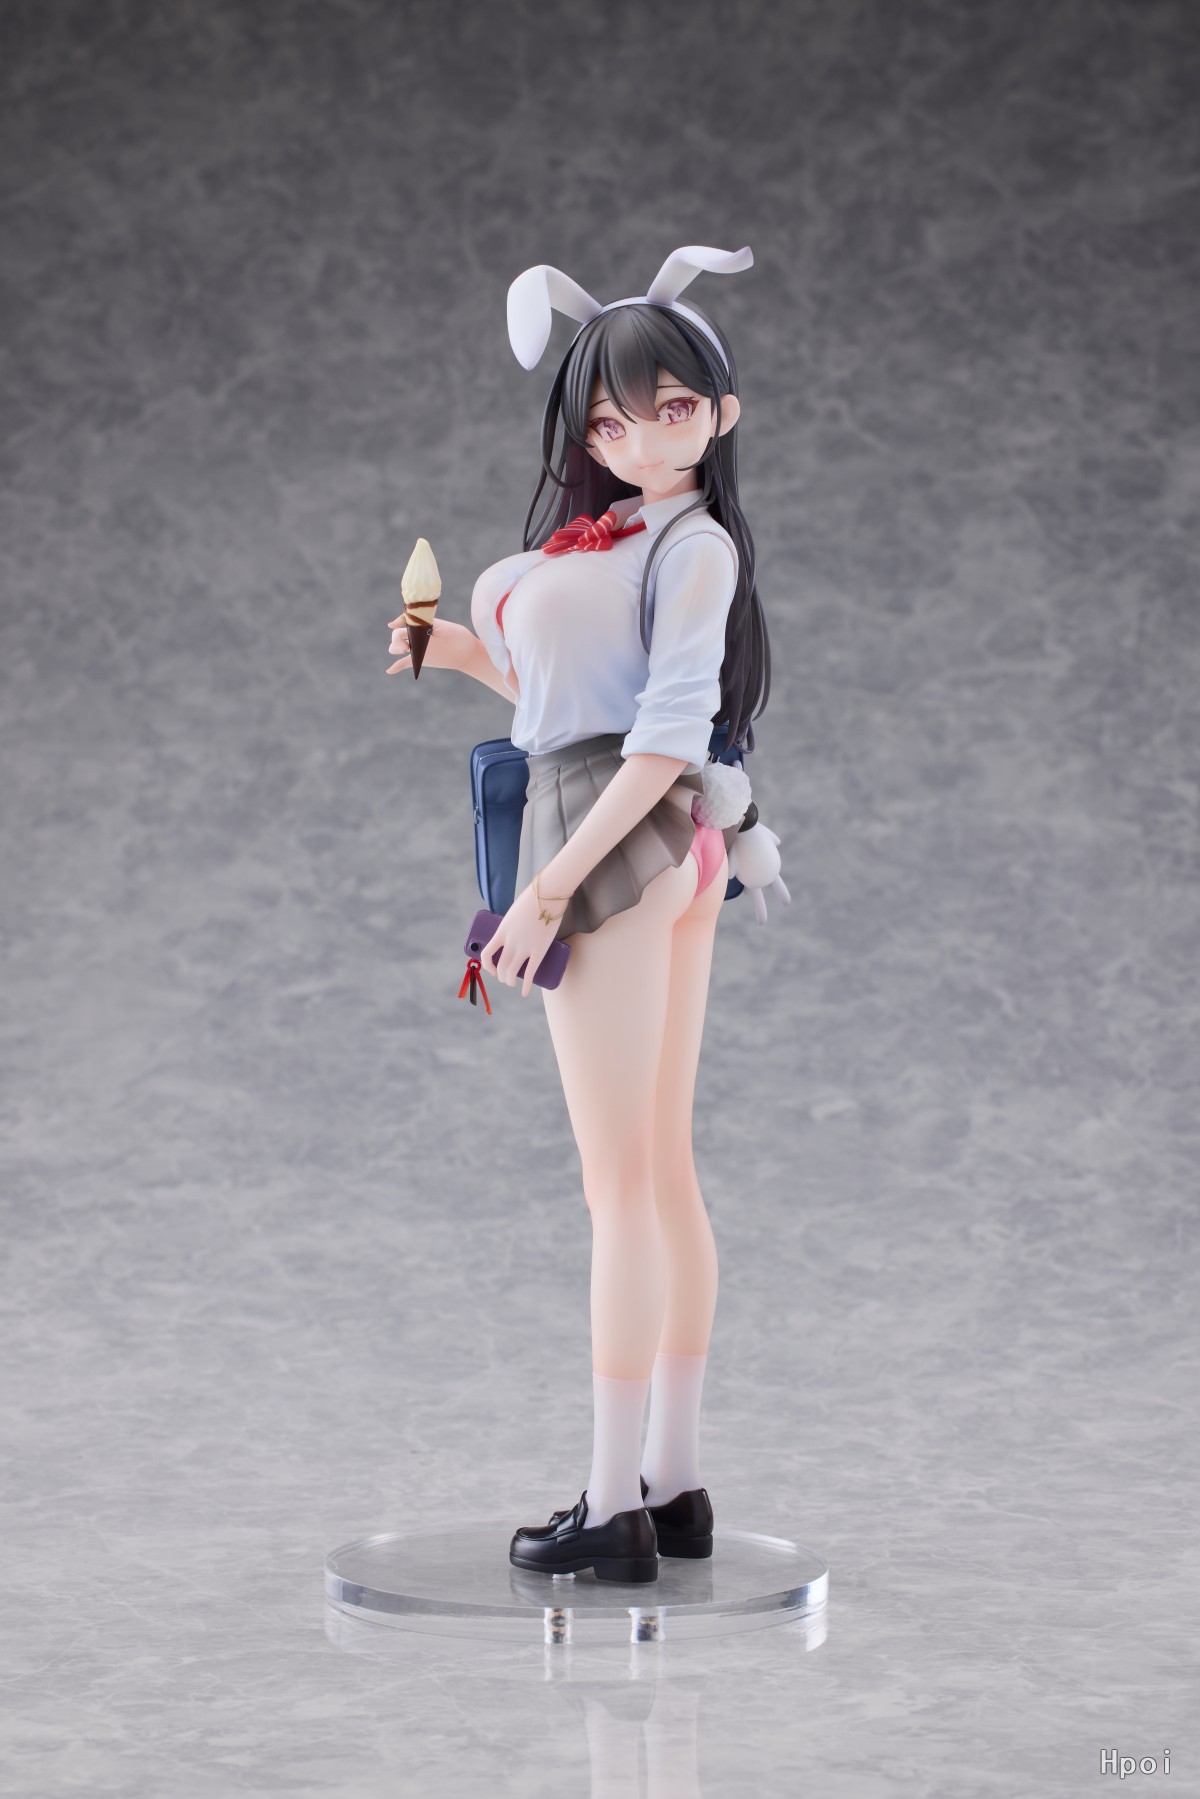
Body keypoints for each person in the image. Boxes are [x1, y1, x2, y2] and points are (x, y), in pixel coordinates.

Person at [387, 246, 778, 1585]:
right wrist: (455, 650)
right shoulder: (627, 538)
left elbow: (660, 740)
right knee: (658, 1171)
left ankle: (613, 1506)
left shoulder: (695, 544)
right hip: (653, 835)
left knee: (622, 1191)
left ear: (718, 413)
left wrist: (550, 888)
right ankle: (675, 1482)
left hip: (618, 838)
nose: (636, 441)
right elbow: (574, 705)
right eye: (609, 422)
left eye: (668, 410)